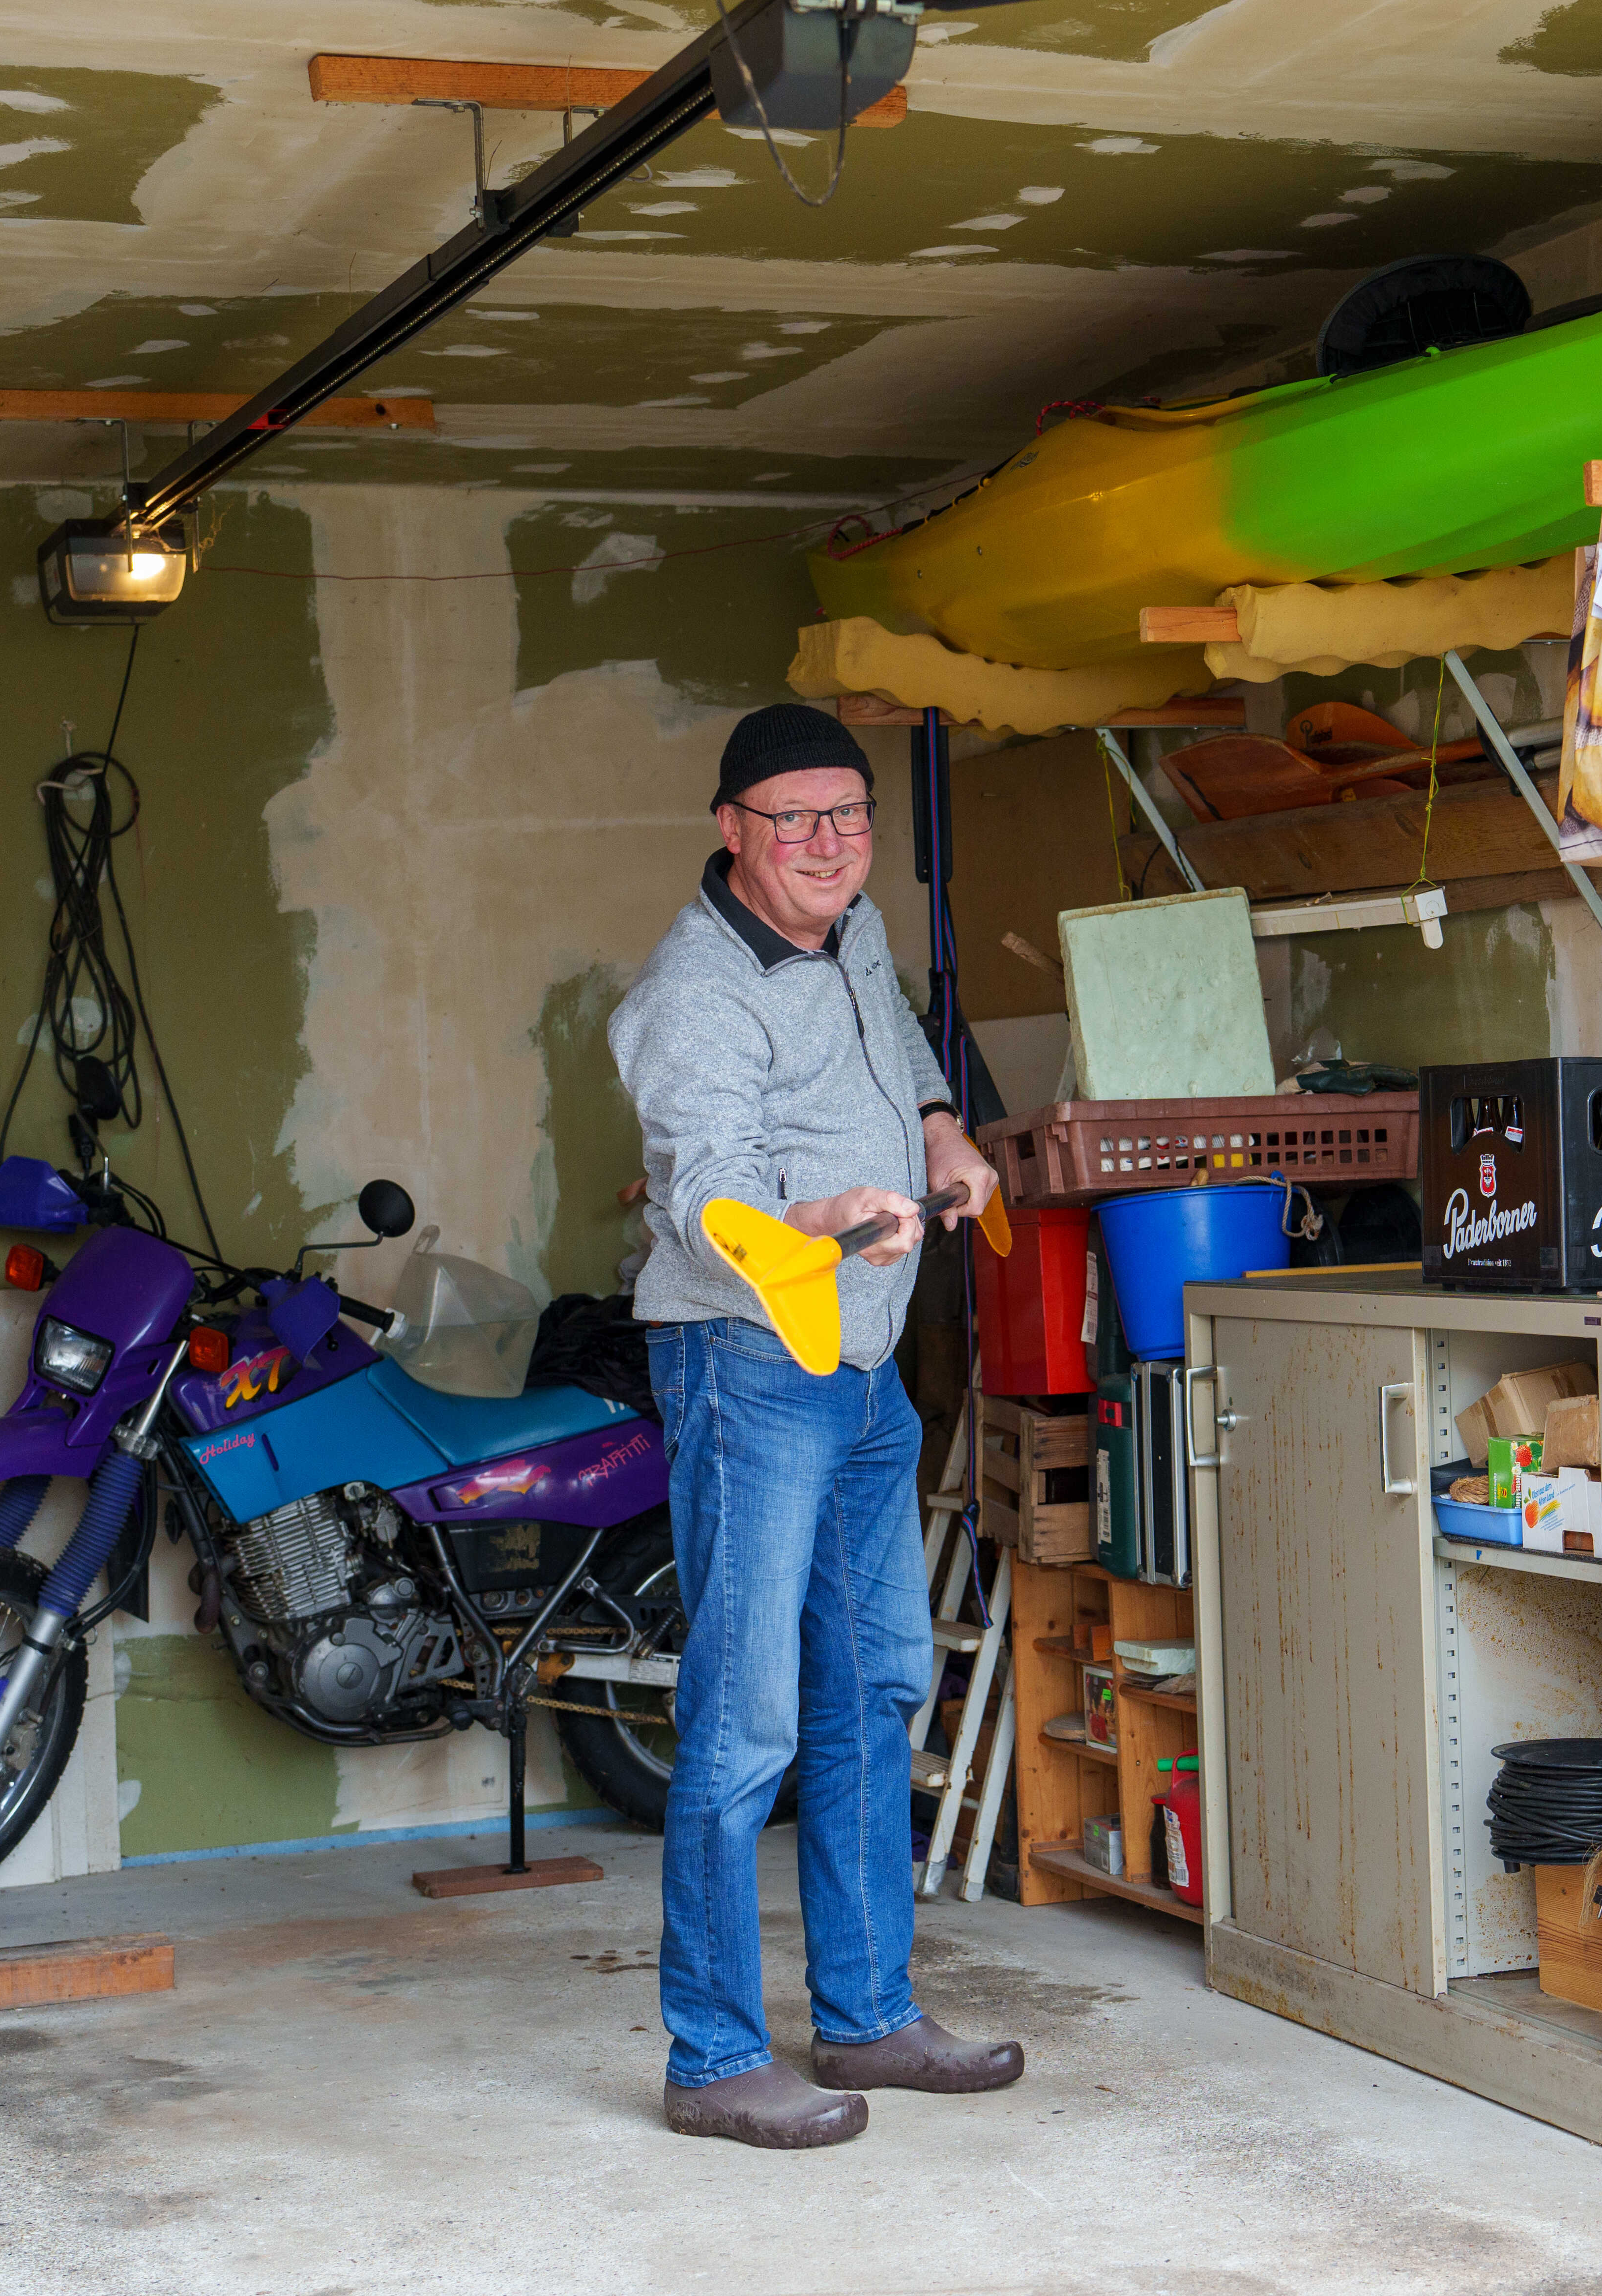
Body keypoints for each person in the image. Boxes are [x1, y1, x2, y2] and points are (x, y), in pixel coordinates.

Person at [609, 701, 1022, 2150]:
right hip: (747, 1364)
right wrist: (826, 1211)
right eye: (797, 820)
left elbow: (896, 1042)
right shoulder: (695, 995)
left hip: (862, 1368)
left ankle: (866, 2015)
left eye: (851, 815)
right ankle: (714, 2056)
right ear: (734, 830)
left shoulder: (850, 931)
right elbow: (706, 1193)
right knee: (746, 1723)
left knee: (877, 1683)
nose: (832, 844)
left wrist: (942, 1127)